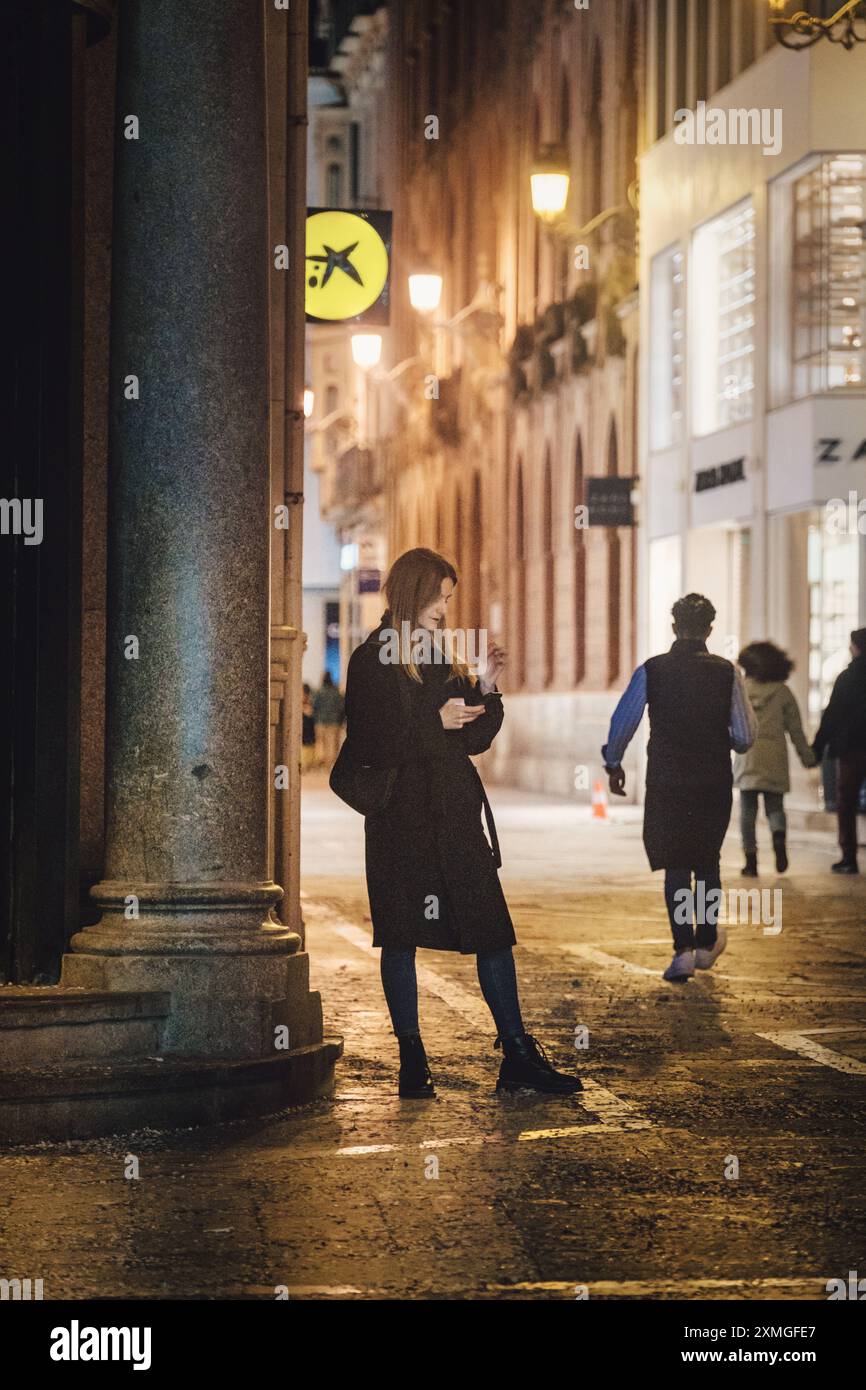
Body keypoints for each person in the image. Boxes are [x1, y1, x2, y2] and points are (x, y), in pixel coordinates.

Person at [342, 546, 582, 1098]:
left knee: (491, 929)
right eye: (438, 597)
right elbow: (372, 743)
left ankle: (518, 1056)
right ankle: (412, 1062)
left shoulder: (440, 656)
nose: (445, 609)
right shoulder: (371, 657)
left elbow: (470, 739)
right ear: (412, 592)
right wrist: (436, 721)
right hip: (398, 818)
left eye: (449, 599)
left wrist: (486, 688)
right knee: (399, 936)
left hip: (453, 814)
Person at [601, 593, 757, 982]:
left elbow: (624, 721)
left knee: (675, 865)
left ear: (674, 627)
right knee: (707, 860)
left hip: (667, 781)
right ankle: (706, 942)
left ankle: (682, 951)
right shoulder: (727, 673)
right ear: (709, 629)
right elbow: (744, 735)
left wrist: (614, 763)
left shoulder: (652, 670)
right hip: (712, 781)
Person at [734, 642, 816, 877]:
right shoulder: (782, 692)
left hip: (747, 754)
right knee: (775, 807)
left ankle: (750, 861)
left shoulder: (741, 689)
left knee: (747, 811)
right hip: (775, 757)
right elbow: (796, 730)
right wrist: (807, 757)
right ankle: (778, 839)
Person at [813, 627, 866, 874]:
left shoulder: (848, 677)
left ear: (855, 647)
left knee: (847, 801)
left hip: (852, 748)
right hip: (853, 745)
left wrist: (817, 747)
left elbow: (832, 715)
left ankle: (849, 857)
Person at [313, 671, 344, 772]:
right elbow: (341, 708)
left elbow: (315, 707)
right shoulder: (336, 693)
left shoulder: (319, 692)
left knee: (320, 744)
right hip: (333, 722)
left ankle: (320, 764)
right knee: (331, 745)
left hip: (320, 722)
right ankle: (329, 766)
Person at [301, 683, 316, 774]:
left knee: (308, 748)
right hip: (306, 731)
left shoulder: (310, 703)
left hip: (308, 731)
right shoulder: (307, 703)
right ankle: (305, 766)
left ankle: (306, 766)